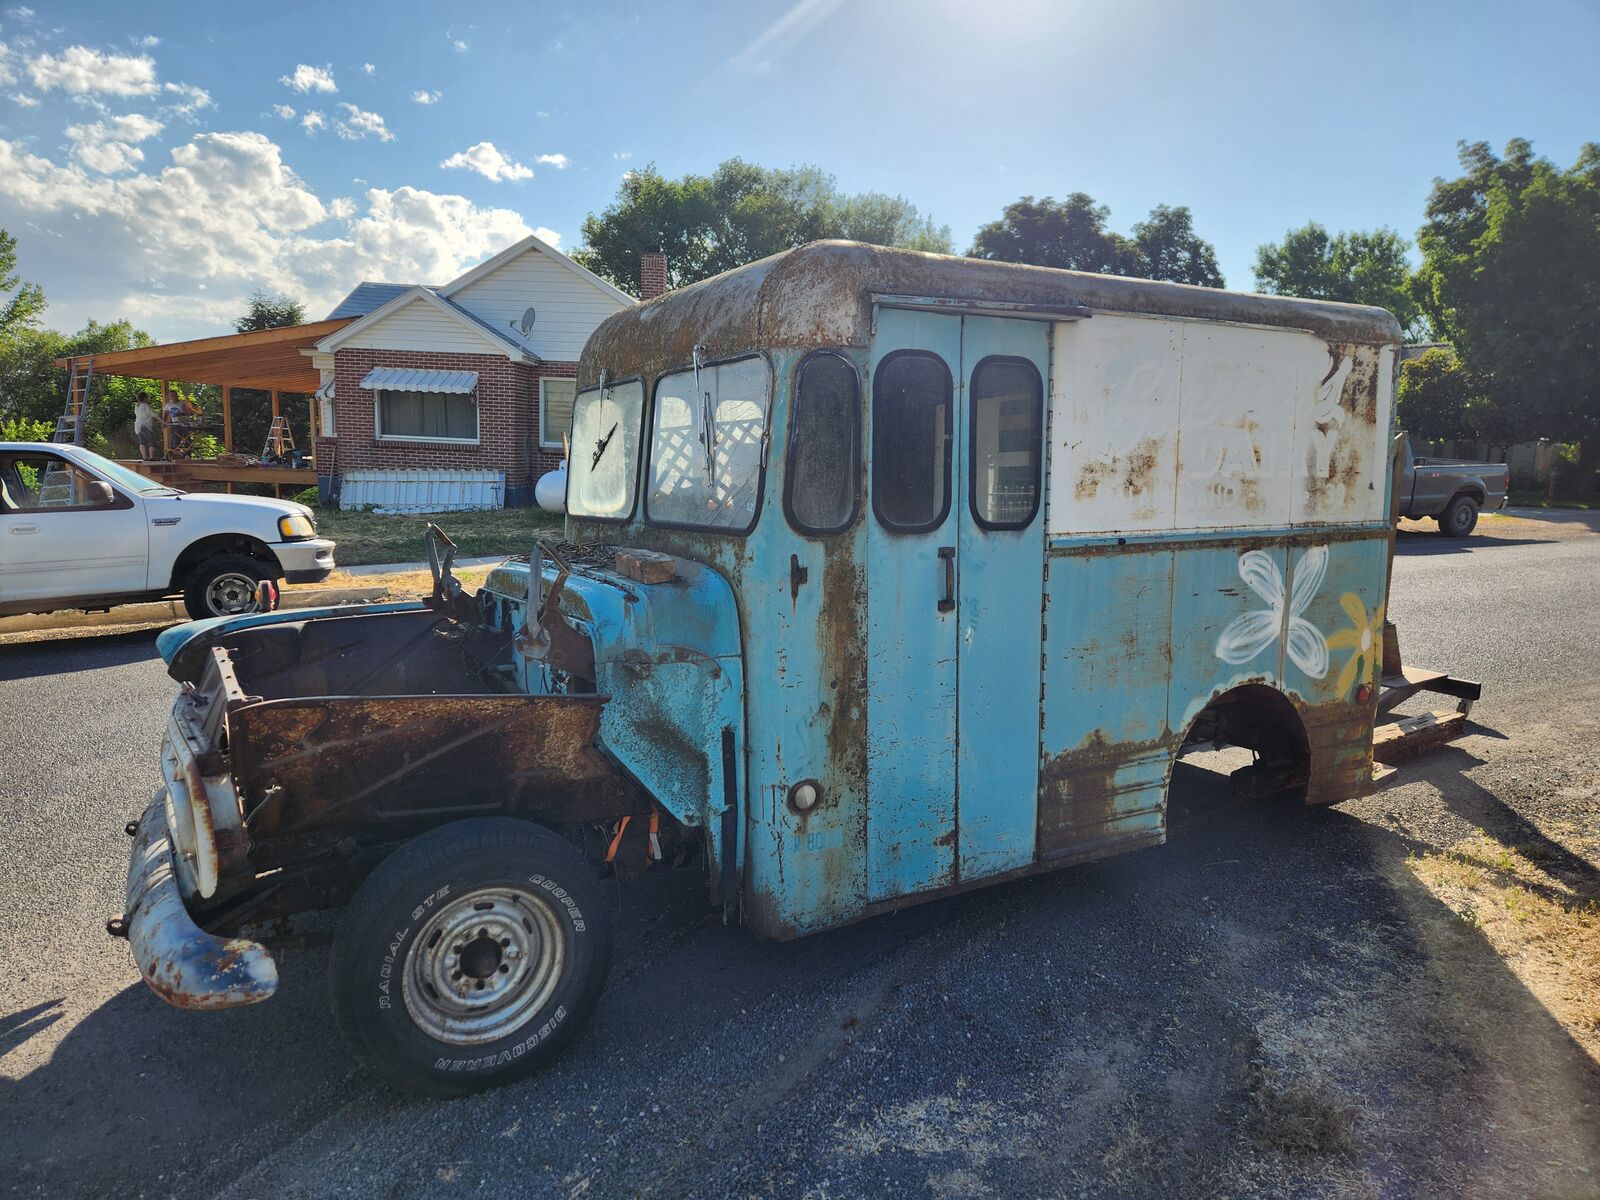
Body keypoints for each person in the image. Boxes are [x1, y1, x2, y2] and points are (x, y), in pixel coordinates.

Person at [133, 392, 160, 461]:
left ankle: (144, 457)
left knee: (141, 442)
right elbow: (154, 414)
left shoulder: (137, 406)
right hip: (146, 425)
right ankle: (151, 457)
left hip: (138, 426)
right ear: (144, 398)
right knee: (151, 441)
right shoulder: (146, 406)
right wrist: (163, 421)